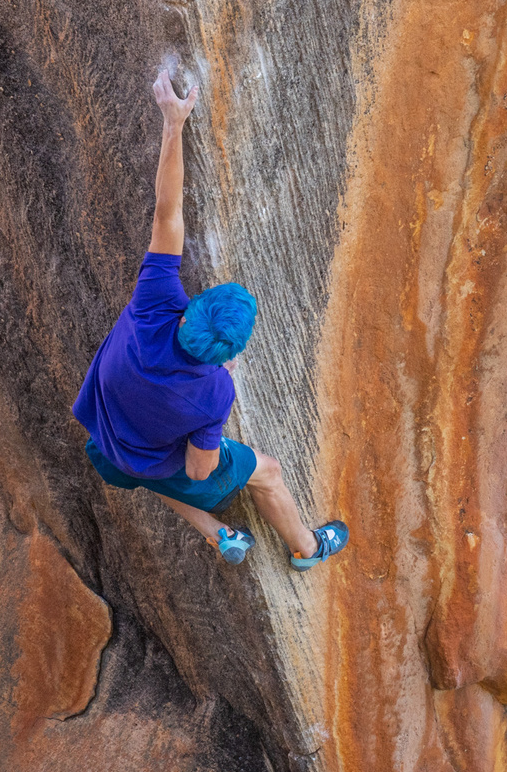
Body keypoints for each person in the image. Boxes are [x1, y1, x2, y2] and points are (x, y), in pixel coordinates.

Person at [72, 60, 349, 568]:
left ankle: (219, 533)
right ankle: (307, 548)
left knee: (140, 463)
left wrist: (173, 123)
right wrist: (211, 395)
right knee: (267, 471)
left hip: (106, 444)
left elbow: (167, 211)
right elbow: (199, 473)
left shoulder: (154, 300)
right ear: (231, 354)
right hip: (139, 453)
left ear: (190, 309)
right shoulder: (214, 391)